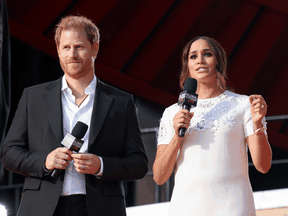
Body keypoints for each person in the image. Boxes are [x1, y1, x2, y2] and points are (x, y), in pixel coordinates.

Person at [1, 15, 148, 216]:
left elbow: (138, 164)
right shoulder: (33, 97)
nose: (72, 54)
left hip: (100, 208)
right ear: (58, 51)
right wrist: (45, 161)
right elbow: (9, 153)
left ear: (94, 48)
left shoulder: (121, 101)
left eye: (79, 47)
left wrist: (101, 165)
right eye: (66, 47)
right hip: (41, 208)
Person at [153, 36, 272, 216]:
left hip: (233, 207)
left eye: (207, 54)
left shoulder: (243, 105)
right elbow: (160, 177)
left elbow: (263, 166)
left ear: (218, 61)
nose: (200, 60)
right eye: (193, 56)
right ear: (187, 66)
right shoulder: (172, 113)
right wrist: (177, 136)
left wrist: (258, 125)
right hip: (186, 209)